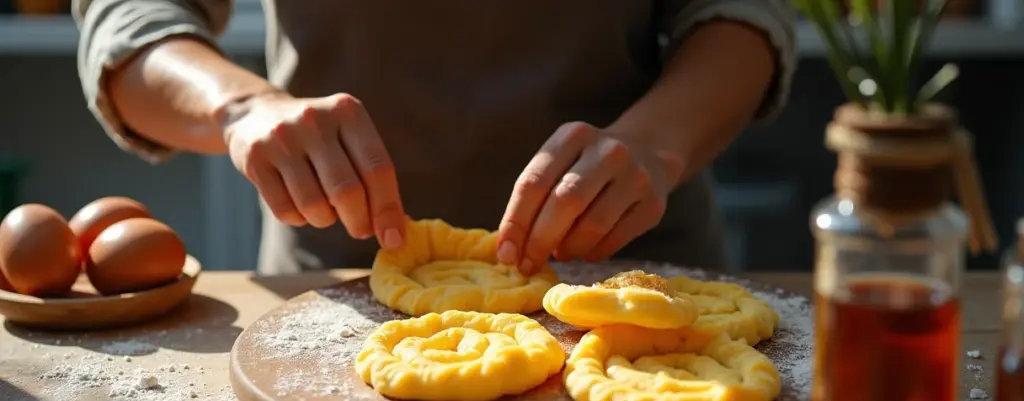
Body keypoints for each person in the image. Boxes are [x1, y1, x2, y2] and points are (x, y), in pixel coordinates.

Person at [74, 1, 796, 275]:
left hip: (633, 279)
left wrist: (656, 144)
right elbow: (128, 15)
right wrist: (239, 109)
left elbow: (741, 10)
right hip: (342, 289)